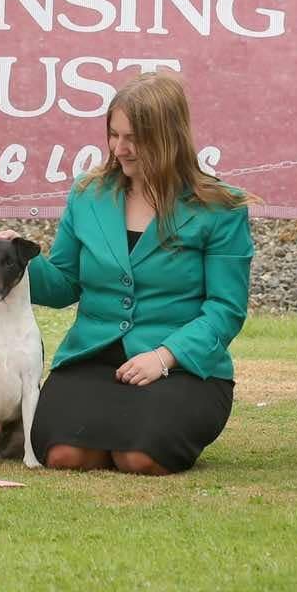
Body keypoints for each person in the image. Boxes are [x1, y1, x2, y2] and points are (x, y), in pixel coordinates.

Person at [22, 72, 254, 475]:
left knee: (140, 458)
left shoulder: (222, 207)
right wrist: (19, 262)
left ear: (169, 137)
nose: (120, 148)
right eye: (114, 135)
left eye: (134, 138)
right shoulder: (87, 194)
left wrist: (164, 358)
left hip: (181, 367)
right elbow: (63, 284)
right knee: (65, 456)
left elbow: (225, 309)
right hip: (91, 358)